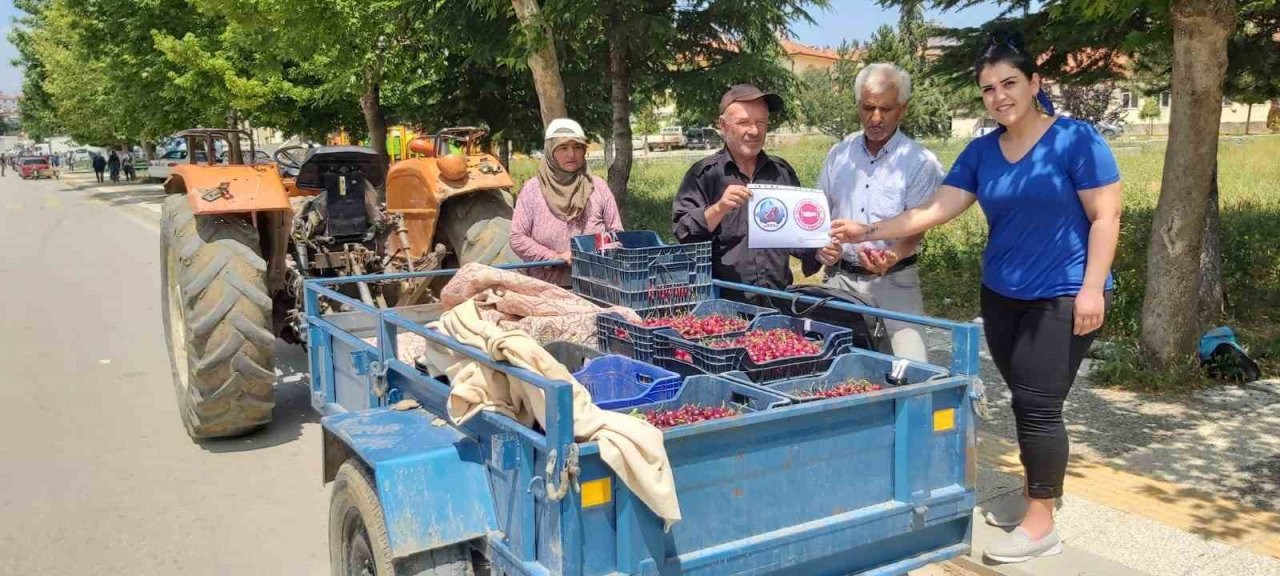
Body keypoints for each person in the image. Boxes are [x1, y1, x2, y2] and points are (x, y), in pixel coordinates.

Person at [830, 33, 1122, 564]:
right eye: (988, 89)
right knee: (1023, 397)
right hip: (1002, 296)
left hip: (1063, 294)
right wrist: (866, 229)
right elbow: (933, 210)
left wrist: (1090, 288)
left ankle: (1040, 520)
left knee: (1037, 404)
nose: (999, 96)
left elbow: (1106, 216)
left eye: (1009, 83)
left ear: (1035, 84)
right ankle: (1039, 490)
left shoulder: (1076, 140)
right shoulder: (983, 151)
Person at [814, 63, 943, 363]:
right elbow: (819, 210)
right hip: (840, 280)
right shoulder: (839, 154)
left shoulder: (920, 162)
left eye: (885, 109)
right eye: (868, 107)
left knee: (910, 370)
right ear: (858, 106)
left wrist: (893, 256)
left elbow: (916, 226)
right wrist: (823, 246)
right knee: (834, 367)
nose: (875, 118)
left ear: (903, 109)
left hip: (895, 283)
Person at [672, 84, 820, 303]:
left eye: (761, 122)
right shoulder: (704, 175)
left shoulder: (781, 173)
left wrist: (819, 250)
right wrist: (719, 209)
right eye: (744, 122)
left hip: (778, 301)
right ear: (723, 126)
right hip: (722, 306)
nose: (754, 131)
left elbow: (796, 236)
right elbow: (683, 231)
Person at [509, 118, 624, 286]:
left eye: (577, 147)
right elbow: (517, 237)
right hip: (545, 286)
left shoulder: (598, 187)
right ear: (550, 151)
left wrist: (586, 252)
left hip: (595, 285)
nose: (571, 154)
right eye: (563, 147)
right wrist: (554, 257)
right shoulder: (532, 189)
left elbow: (617, 234)